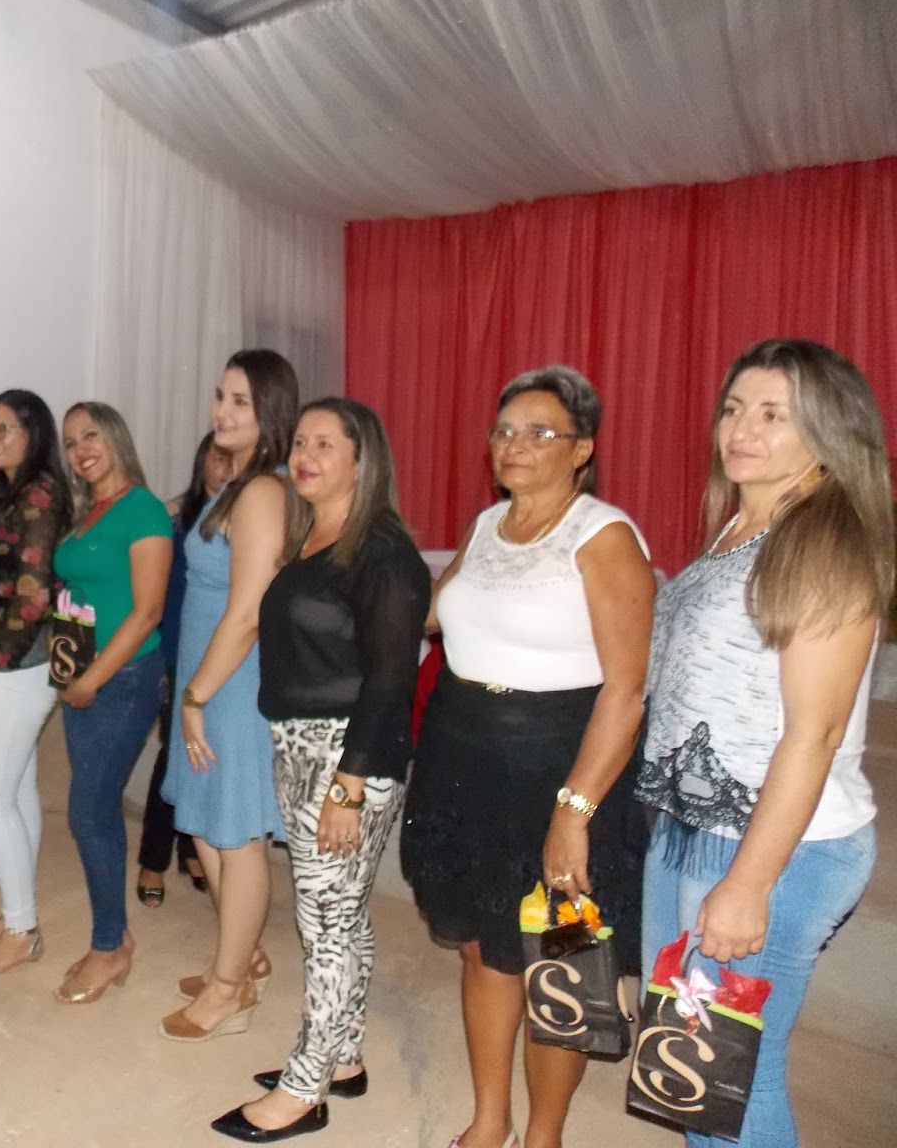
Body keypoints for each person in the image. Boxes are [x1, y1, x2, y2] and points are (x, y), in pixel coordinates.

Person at [636, 340, 890, 1148]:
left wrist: (748, 884)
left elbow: (814, 735)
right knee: (688, 1067)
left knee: (732, 1083)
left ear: (828, 434)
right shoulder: (743, 524)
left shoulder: (822, 543)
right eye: (735, 409)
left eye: (774, 415)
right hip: (693, 827)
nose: (742, 430)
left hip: (772, 846)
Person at [400, 365, 655, 1148]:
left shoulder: (604, 536)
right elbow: (434, 614)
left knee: (558, 959)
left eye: (539, 432)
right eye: (504, 430)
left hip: (559, 765)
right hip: (462, 757)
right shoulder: (487, 525)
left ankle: (545, 1134)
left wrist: (573, 813)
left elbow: (627, 690)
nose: (514, 445)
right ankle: (491, 1118)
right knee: (485, 947)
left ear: (582, 449)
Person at [213, 398, 431, 1141]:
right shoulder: (314, 538)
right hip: (302, 745)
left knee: (325, 922)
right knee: (342, 912)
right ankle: (343, 1057)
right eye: (300, 442)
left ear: (362, 461)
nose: (303, 456)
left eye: (324, 445)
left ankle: (304, 1089)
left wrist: (348, 786)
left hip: (347, 757)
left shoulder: (385, 553)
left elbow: (391, 680)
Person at [160, 348, 298, 1042]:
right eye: (220, 395)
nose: (222, 410)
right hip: (207, 675)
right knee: (203, 824)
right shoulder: (236, 484)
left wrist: (196, 697)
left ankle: (228, 990)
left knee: (236, 835)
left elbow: (248, 613)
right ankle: (241, 960)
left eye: (240, 400)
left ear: (271, 410)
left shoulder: (265, 490)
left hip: (232, 685)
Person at [51, 401, 172, 1002]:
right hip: (83, 676)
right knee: (96, 810)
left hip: (121, 679)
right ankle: (114, 935)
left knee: (87, 811)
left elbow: (147, 611)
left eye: (91, 435)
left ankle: (108, 947)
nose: (81, 450)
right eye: (72, 442)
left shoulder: (143, 509)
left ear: (116, 438)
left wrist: (92, 679)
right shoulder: (88, 513)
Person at [0, 389, 71, 976]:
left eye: (5, 429)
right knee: (16, 786)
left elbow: (33, 591)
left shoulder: (39, 495)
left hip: (22, 661)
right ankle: (16, 913)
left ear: (33, 435)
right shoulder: (8, 493)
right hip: (10, 657)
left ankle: (23, 930)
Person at [136, 432, 231, 906]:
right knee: (176, 756)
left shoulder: (252, 513)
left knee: (211, 756)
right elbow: (162, 599)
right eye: (217, 457)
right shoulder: (176, 521)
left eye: (233, 459)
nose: (226, 466)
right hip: (182, 654)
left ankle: (192, 851)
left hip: (233, 658)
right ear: (201, 463)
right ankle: (154, 859)